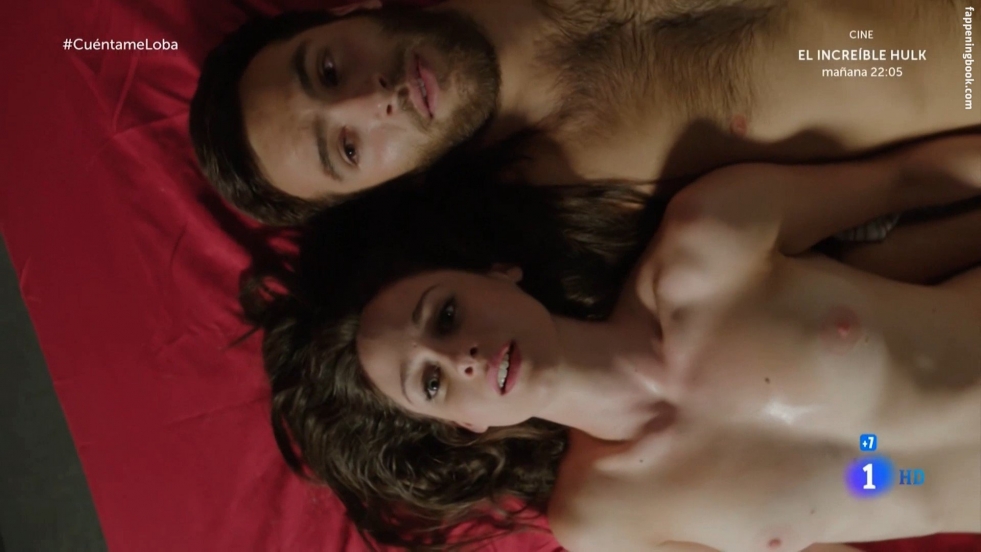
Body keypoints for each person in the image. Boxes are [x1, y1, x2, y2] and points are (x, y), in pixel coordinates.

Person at [241, 133, 981, 551]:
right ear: (464, 424)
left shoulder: (707, 244)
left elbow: (907, 180)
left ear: (497, 271)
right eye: (431, 383)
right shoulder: (605, 519)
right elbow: (853, 519)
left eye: (445, 315)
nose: (461, 356)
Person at [190, 0, 977, 225]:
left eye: (329, 70)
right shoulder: (576, 205)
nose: (373, 99)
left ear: (342, 13)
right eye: (348, 149)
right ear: (382, 189)